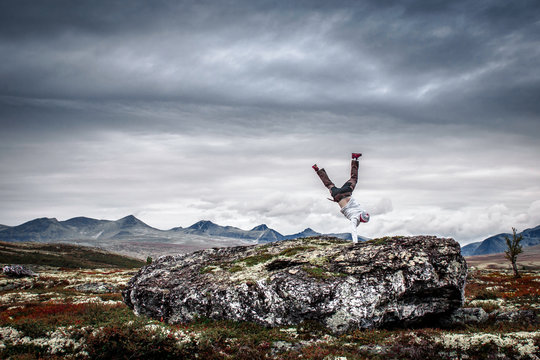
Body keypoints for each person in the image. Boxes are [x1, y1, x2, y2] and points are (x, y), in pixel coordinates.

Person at [313, 153, 369, 243]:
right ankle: (317, 170)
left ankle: (355, 158)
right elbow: (354, 230)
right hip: (337, 196)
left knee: (353, 178)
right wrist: (356, 242)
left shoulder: (361, 210)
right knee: (329, 185)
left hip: (347, 192)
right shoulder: (354, 219)